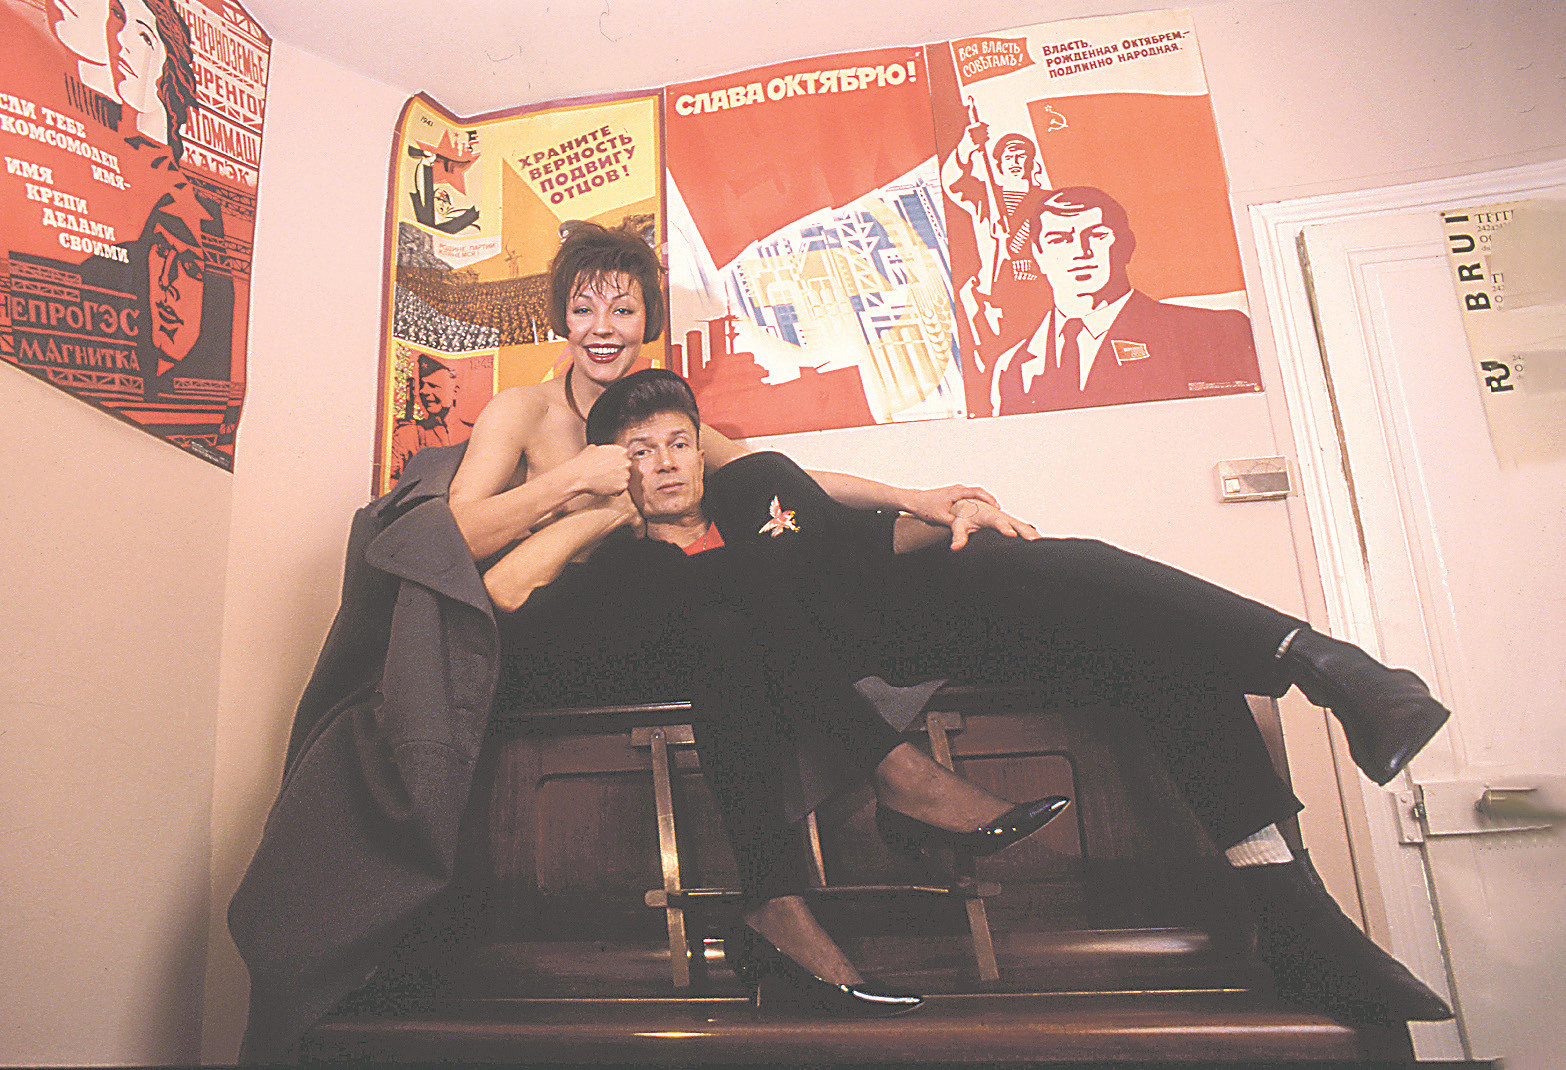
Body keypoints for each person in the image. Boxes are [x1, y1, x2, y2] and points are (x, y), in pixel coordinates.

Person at [582, 367, 1454, 1027]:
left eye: (679, 443)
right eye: (640, 452)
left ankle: (1327, 692)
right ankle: (1308, 842)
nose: (665, 463)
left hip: (911, 635)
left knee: (1056, 572)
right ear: (613, 472)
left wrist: (954, 514)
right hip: (833, 694)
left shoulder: (753, 489)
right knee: (1130, 634)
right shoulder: (627, 565)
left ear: (701, 446)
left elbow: (863, 545)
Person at [991, 186, 1260, 415]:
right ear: (1038, 256)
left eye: (1097, 235)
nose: (1080, 252)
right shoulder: (1011, 366)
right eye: (1059, 239)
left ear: (1126, 245)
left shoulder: (1213, 333)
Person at [941, 119, 1050, 371]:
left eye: (1022, 156)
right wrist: (966, 146)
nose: (1015, 161)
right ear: (999, 164)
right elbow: (952, 182)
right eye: (1009, 157)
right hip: (995, 287)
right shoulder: (985, 196)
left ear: (1031, 162)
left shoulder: (1047, 200)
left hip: (1037, 288)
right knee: (997, 356)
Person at [389, 354, 463, 480]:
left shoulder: (473, 432)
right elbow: (390, 479)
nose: (424, 391)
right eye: (422, 385)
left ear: (454, 391)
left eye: (433, 386)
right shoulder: (408, 435)